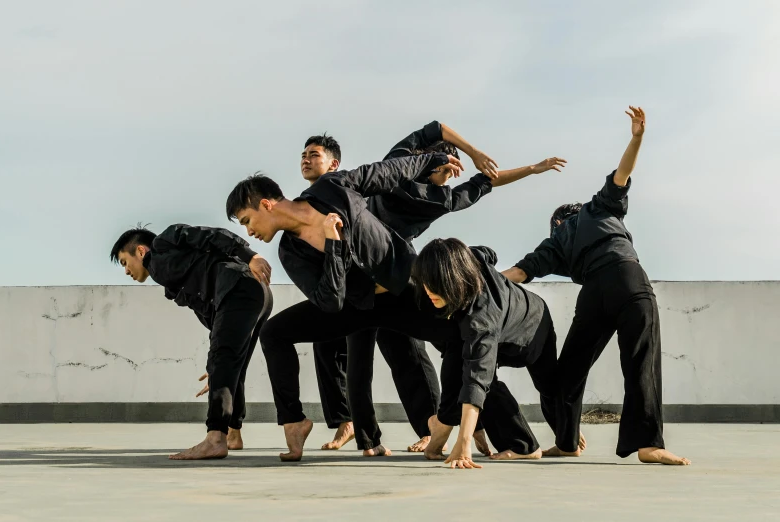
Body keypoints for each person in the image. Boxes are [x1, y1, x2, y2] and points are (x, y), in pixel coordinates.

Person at [303, 124, 567, 455]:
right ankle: (447, 427)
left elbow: (436, 129)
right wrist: (528, 168)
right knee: (444, 348)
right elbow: (486, 181)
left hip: (361, 276)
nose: (449, 179)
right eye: (447, 172)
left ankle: (375, 440)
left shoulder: (397, 162)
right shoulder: (438, 197)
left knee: (369, 358)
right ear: (440, 165)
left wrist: (475, 153)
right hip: (395, 280)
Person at [502, 107, 691, 465]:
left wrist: (468, 278)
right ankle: (649, 444)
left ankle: (567, 441)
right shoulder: (598, 208)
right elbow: (623, 174)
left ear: (556, 221)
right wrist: (636, 138)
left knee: (568, 371)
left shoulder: (555, 243)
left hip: (593, 295)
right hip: (627, 278)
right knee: (640, 361)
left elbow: (517, 273)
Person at [109, 224, 273, 460]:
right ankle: (232, 434)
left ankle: (215, 438)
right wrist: (213, 364)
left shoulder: (165, 242)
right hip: (253, 294)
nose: (126, 271)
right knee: (232, 366)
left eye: (125, 262)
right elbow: (214, 320)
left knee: (224, 362)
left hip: (241, 284)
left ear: (141, 251)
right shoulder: (173, 282)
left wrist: (251, 257)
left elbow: (213, 235)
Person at [411, 238, 565, 469]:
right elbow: (487, 252)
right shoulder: (467, 261)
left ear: (453, 279)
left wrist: (463, 445)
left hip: (531, 328)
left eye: (436, 284)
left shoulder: (481, 317)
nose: (429, 291)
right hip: (504, 321)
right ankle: (450, 428)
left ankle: (527, 447)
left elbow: (476, 378)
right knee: (459, 362)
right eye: (426, 283)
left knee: (542, 385)